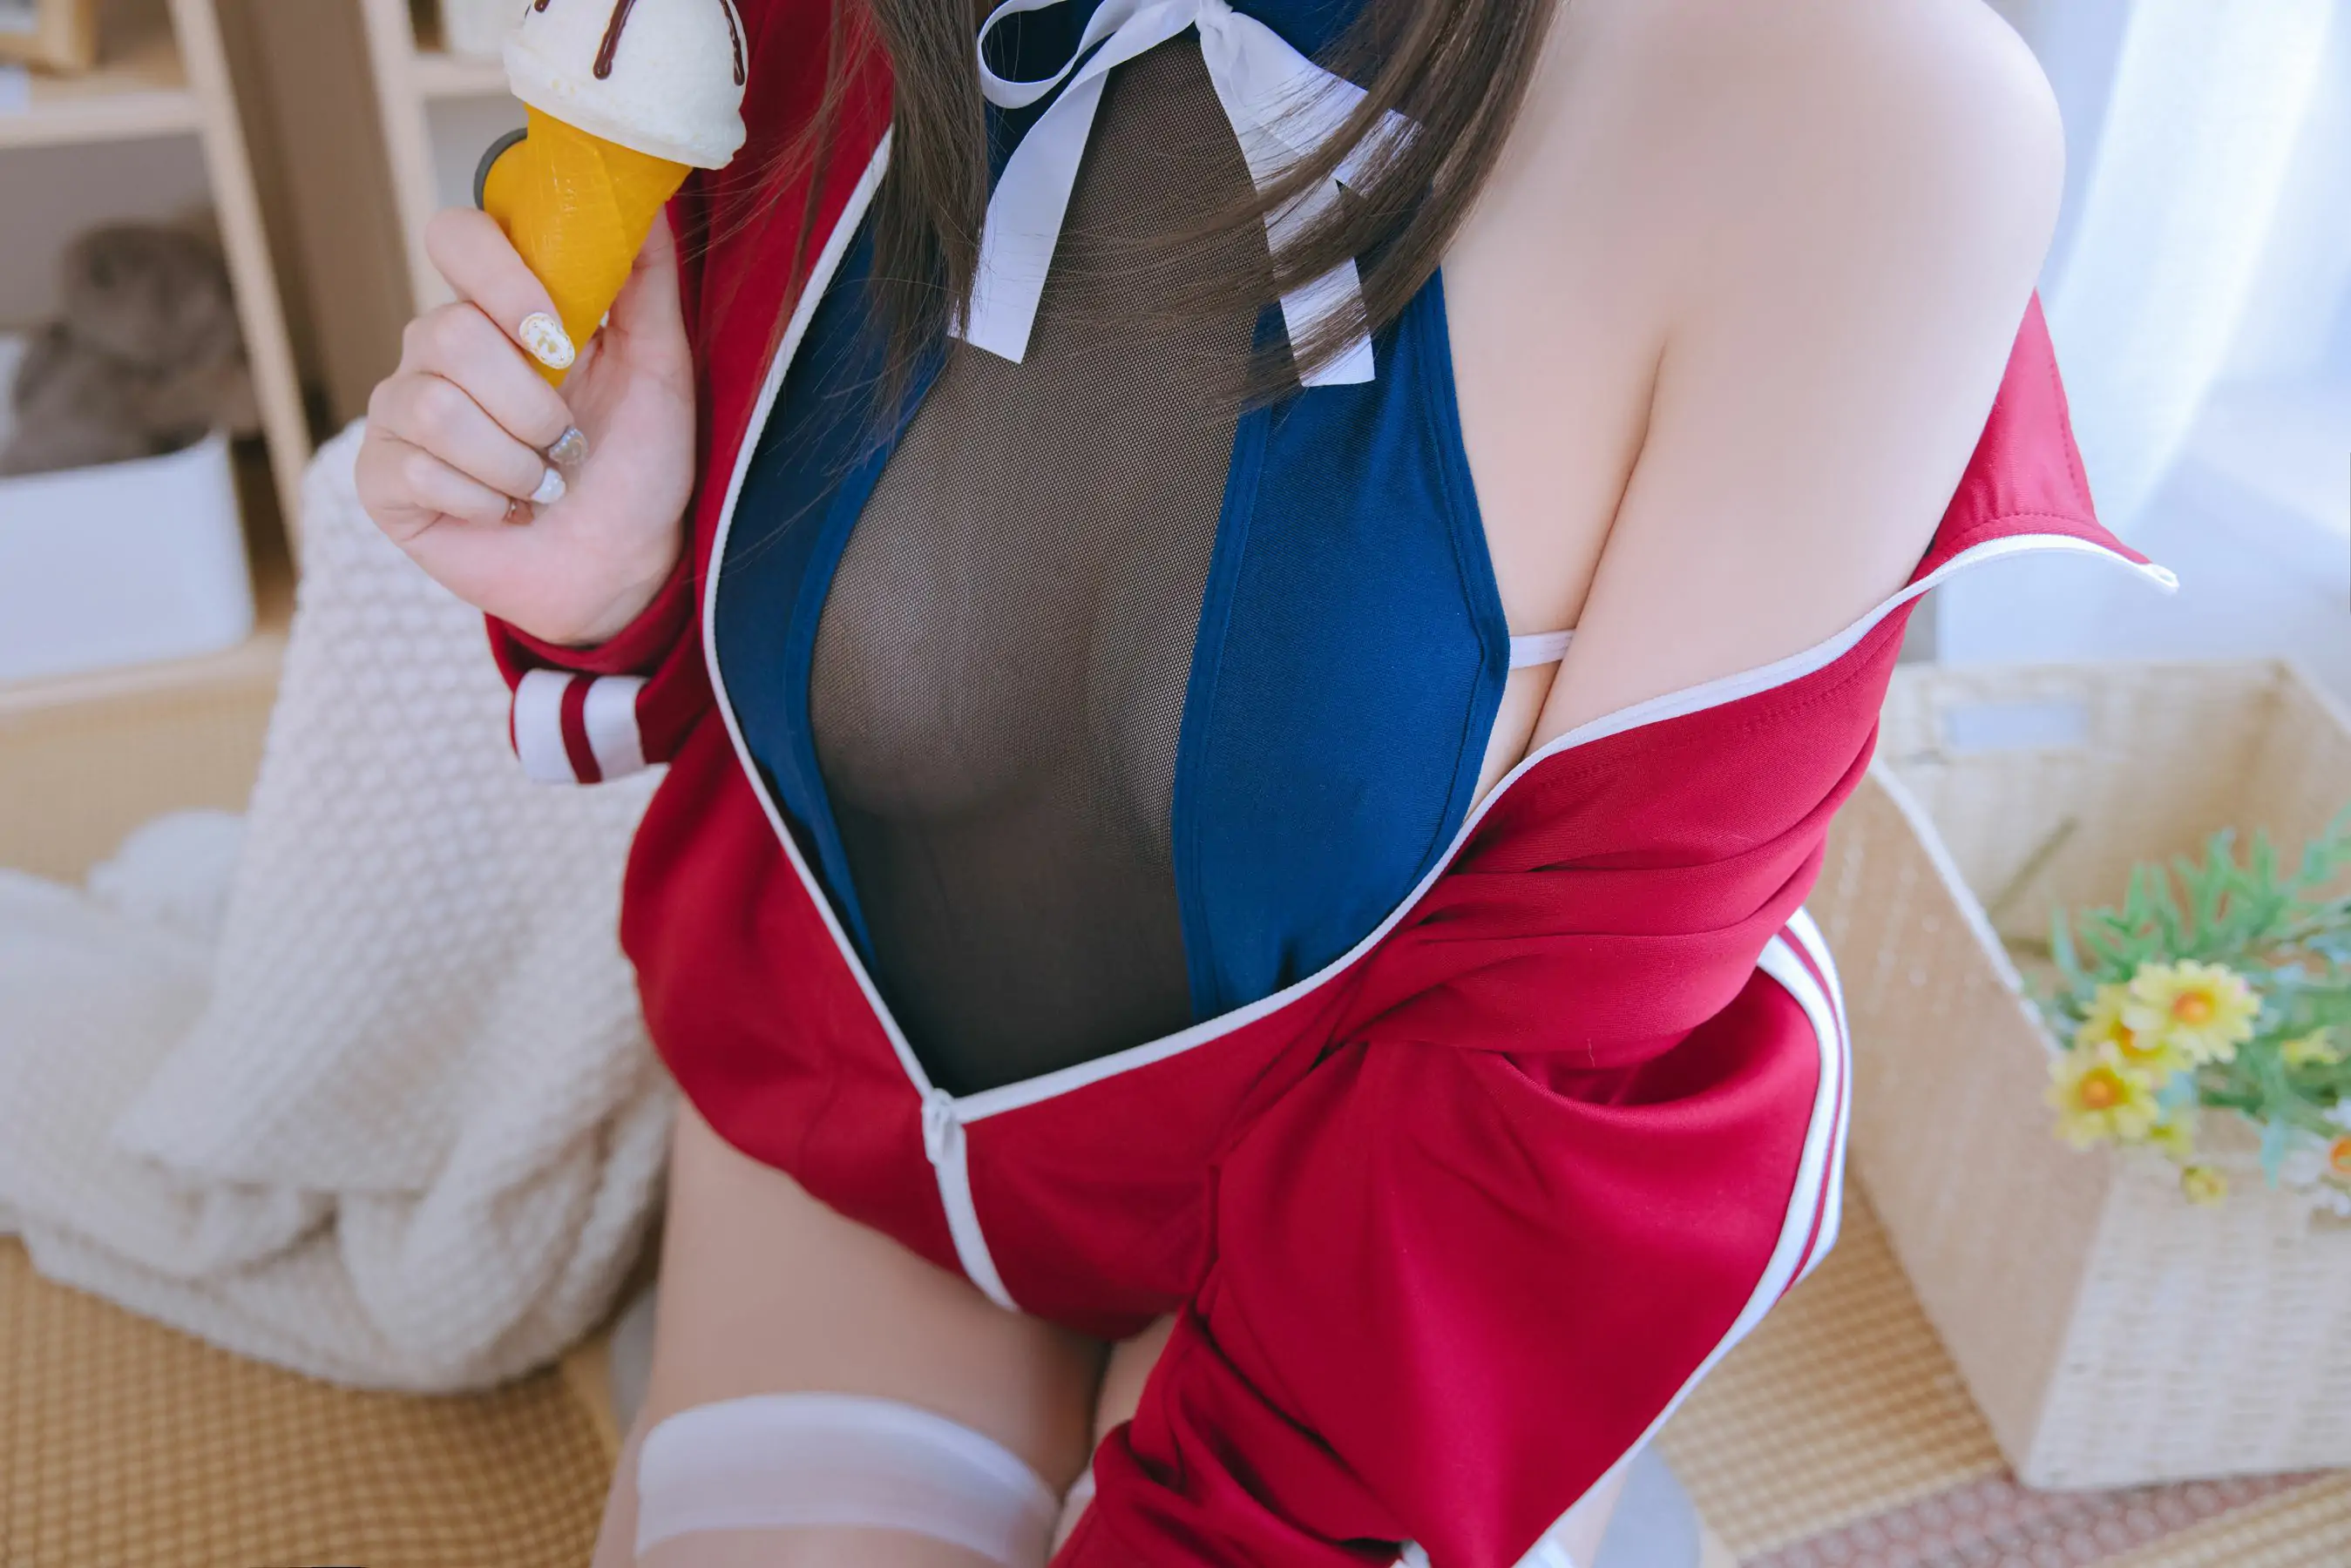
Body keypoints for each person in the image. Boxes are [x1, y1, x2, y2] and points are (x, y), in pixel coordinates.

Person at [356, 0, 2169, 1561]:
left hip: (1402, 1237)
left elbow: (1552, 1055)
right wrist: (618, 573)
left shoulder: (1858, 109)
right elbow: (817, 672)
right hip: (863, 1111)